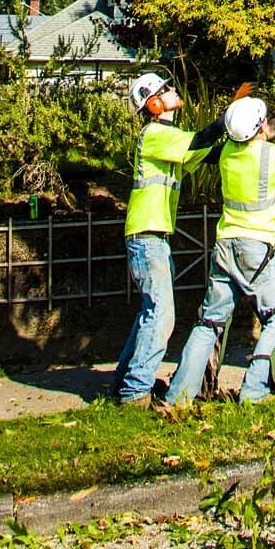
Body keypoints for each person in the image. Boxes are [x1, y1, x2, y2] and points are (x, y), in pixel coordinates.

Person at [163, 83, 275, 407]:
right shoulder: (273, 157)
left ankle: (178, 396)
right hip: (257, 250)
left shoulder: (228, 152)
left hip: (225, 246)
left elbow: (265, 130)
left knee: (209, 323)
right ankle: (254, 391)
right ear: (259, 127)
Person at [111, 72, 228, 407]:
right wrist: (229, 117)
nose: (174, 91)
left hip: (154, 236)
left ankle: (124, 382)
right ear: (153, 103)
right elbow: (200, 139)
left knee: (150, 312)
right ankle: (135, 392)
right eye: (166, 89)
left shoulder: (169, 139)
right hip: (147, 236)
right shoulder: (155, 135)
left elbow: (207, 152)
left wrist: (246, 137)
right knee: (162, 314)